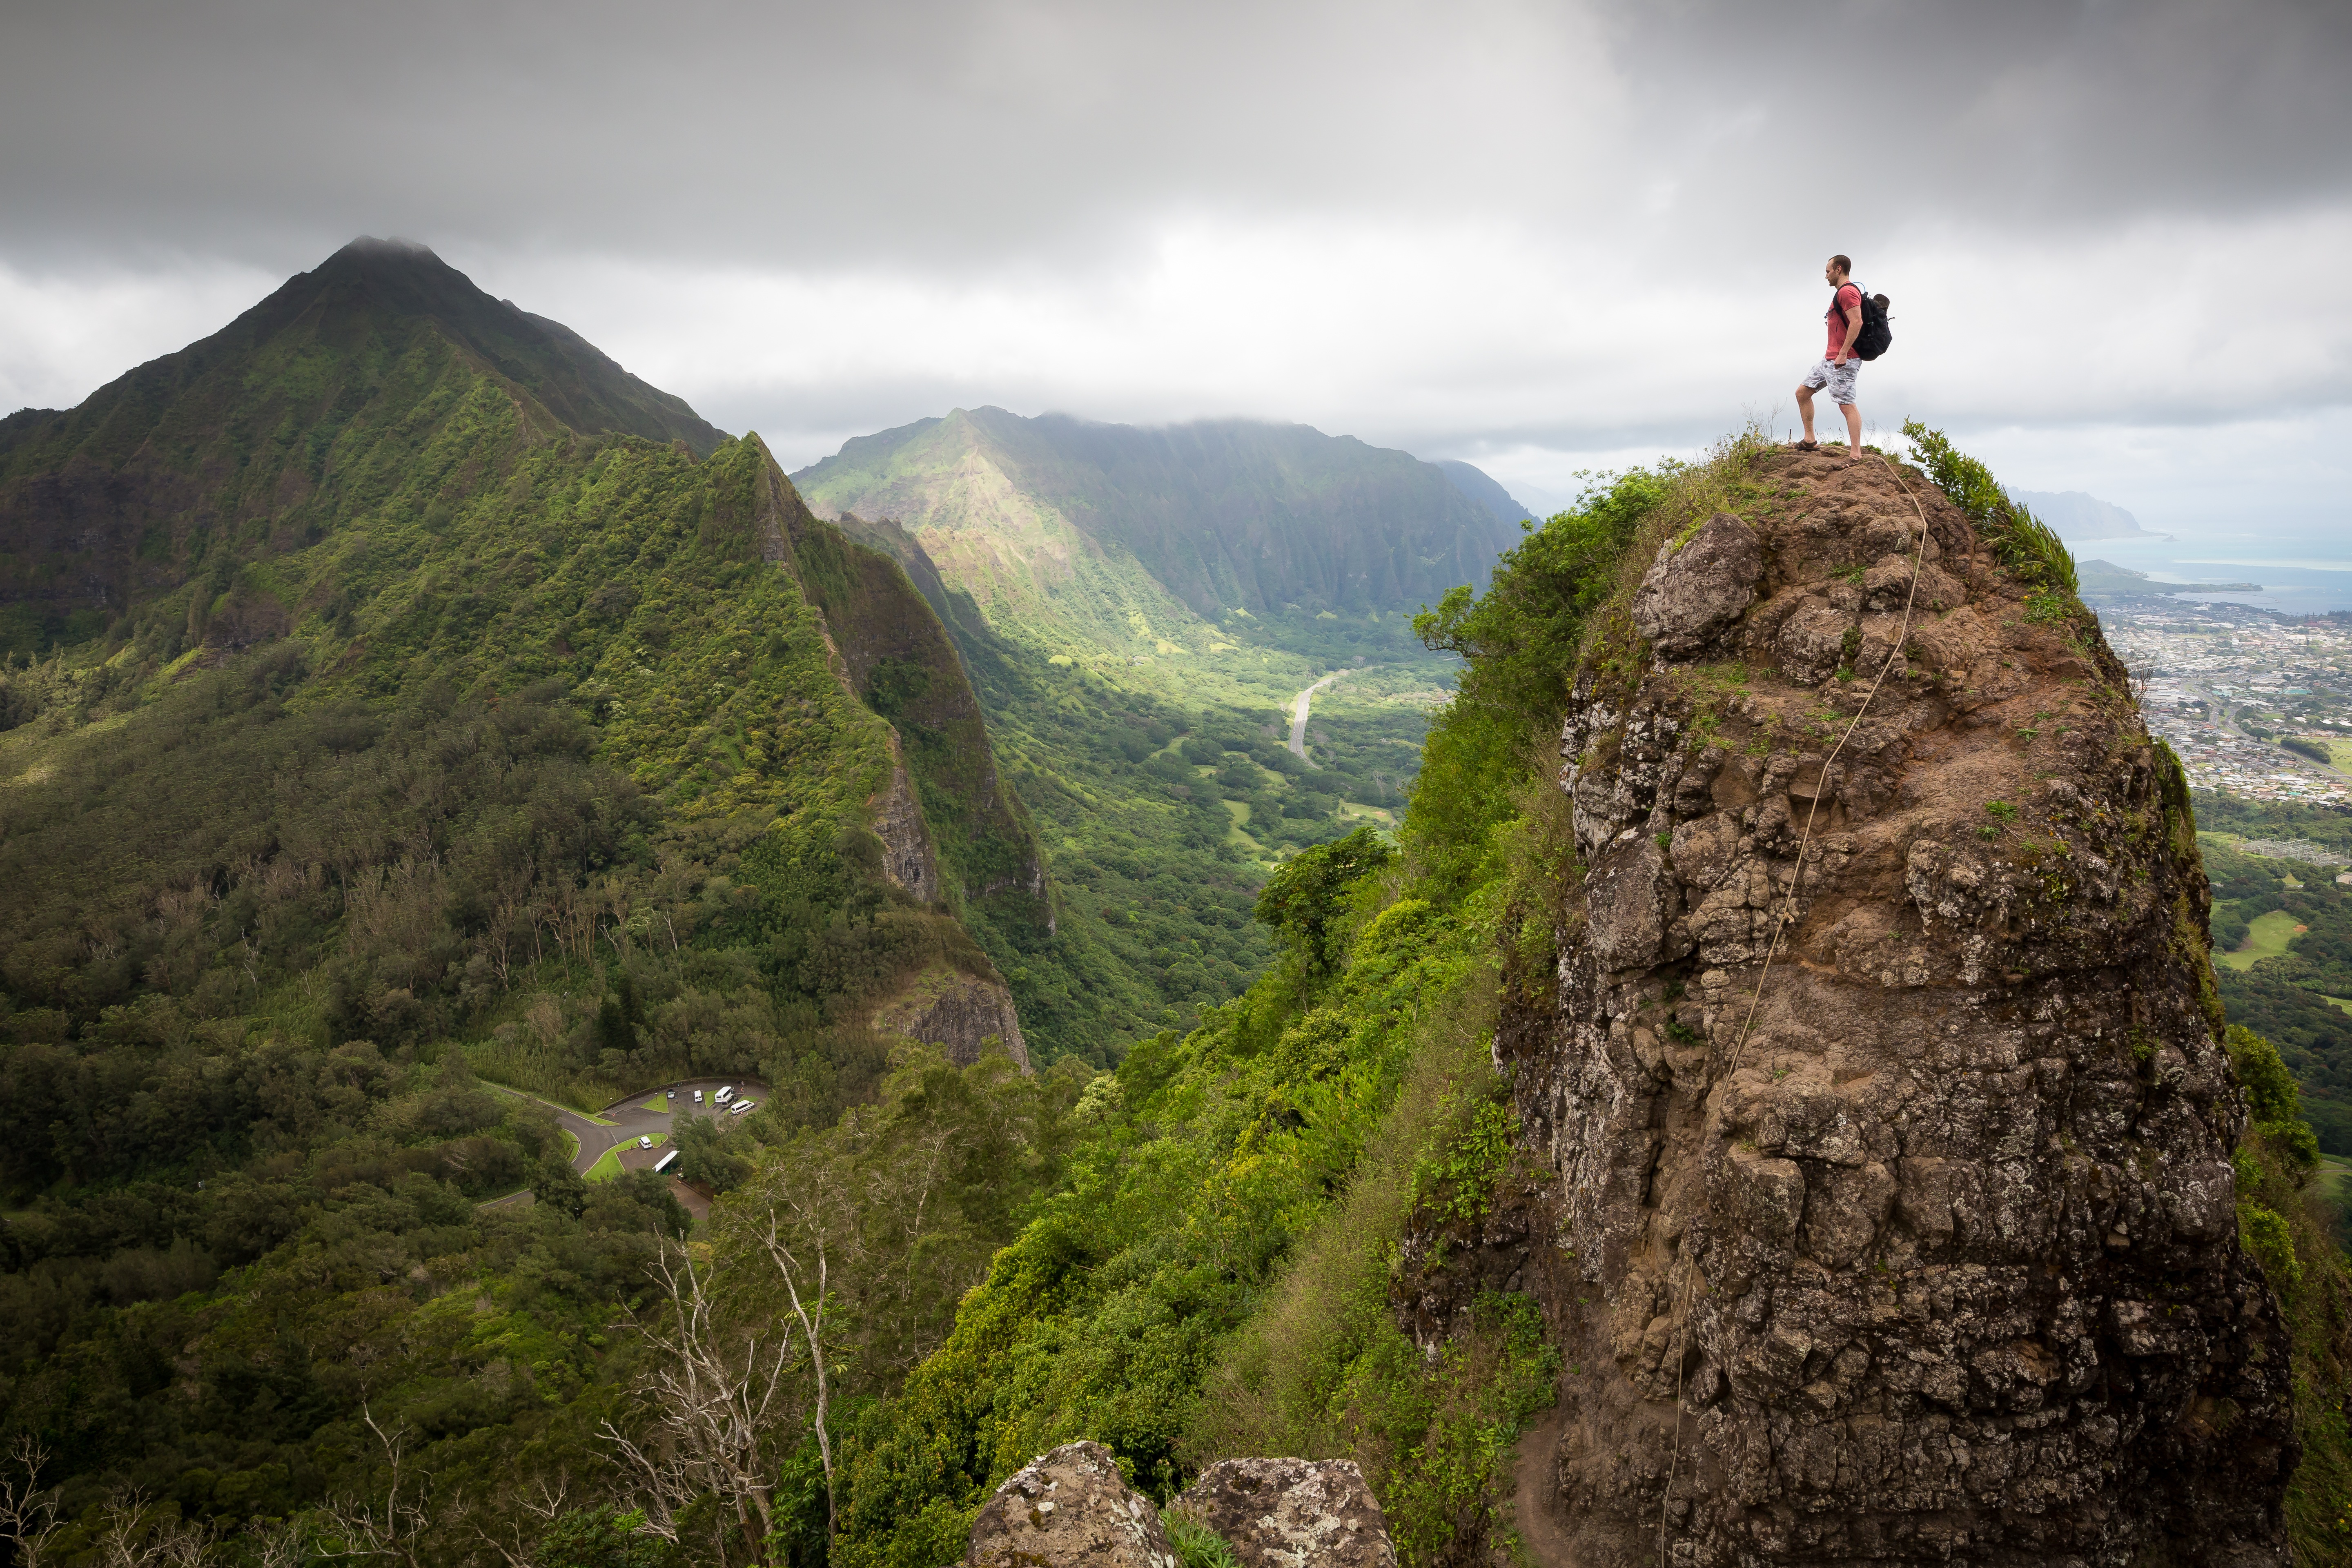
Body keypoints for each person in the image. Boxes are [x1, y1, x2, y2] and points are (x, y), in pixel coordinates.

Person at [1795, 255, 1864, 459]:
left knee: (1847, 405)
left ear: (1839, 270)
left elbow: (1857, 322)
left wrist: (1843, 353)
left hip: (1845, 359)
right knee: (1802, 393)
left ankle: (1856, 454)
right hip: (1829, 359)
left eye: (1828, 271)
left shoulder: (1848, 292)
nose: (1825, 276)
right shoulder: (1842, 293)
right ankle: (1810, 440)